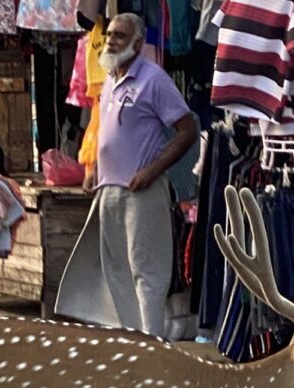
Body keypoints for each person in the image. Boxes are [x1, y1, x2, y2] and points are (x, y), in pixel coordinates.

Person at [78, 13, 198, 338]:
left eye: (119, 35)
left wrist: (152, 171)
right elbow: (108, 133)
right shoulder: (110, 78)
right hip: (109, 191)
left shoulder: (153, 79)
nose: (110, 40)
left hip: (142, 191)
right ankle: (132, 345)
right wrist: (94, 170)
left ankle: (153, 348)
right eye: (109, 34)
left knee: (147, 271)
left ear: (138, 43)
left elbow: (188, 130)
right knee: (117, 271)